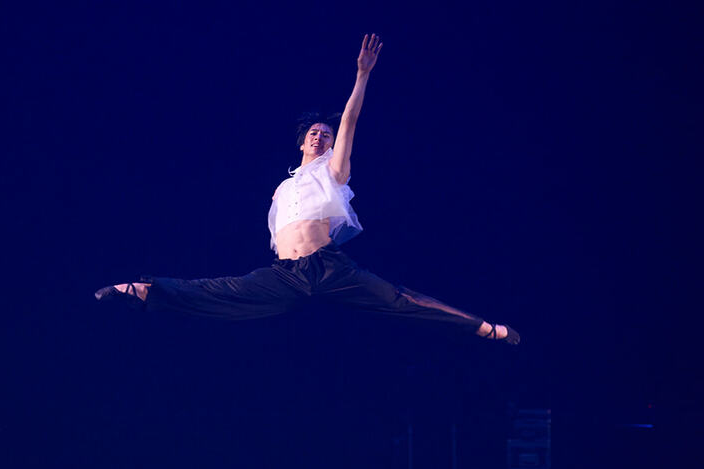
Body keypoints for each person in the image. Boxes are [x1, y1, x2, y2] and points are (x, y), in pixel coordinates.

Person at [96, 34, 520, 345]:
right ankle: (145, 292)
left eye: (325, 134)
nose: (320, 137)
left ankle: (483, 327)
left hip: (330, 268)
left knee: (398, 299)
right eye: (314, 133)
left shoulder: (333, 171)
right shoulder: (282, 189)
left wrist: (362, 75)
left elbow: (351, 121)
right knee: (222, 291)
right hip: (287, 275)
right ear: (301, 141)